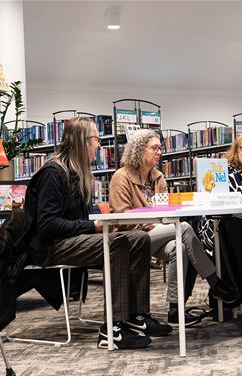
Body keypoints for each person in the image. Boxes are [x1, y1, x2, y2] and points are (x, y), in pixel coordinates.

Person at [23, 116, 172, 350]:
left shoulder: (78, 172)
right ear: (82, 141)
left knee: (139, 238)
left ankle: (137, 317)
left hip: (72, 240)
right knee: (118, 243)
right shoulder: (54, 172)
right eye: (95, 139)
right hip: (50, 247)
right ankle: (112, 328)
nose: (99, 145)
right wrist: (92, 227)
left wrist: (99, 225)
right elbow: (48, 225)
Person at [109, 129, 239, 327]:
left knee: (179, 247)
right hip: (131, 239)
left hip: (157, 233)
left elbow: (167, 210)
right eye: (154, 148)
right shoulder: (122, 176)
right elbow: (120, 215)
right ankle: (215, 283)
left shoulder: (158, 177)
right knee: (184, 228)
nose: (159, 152)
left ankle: (175, 309)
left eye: (160, 148)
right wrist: (146, 223)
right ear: (138, 150)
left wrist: (161, 221)